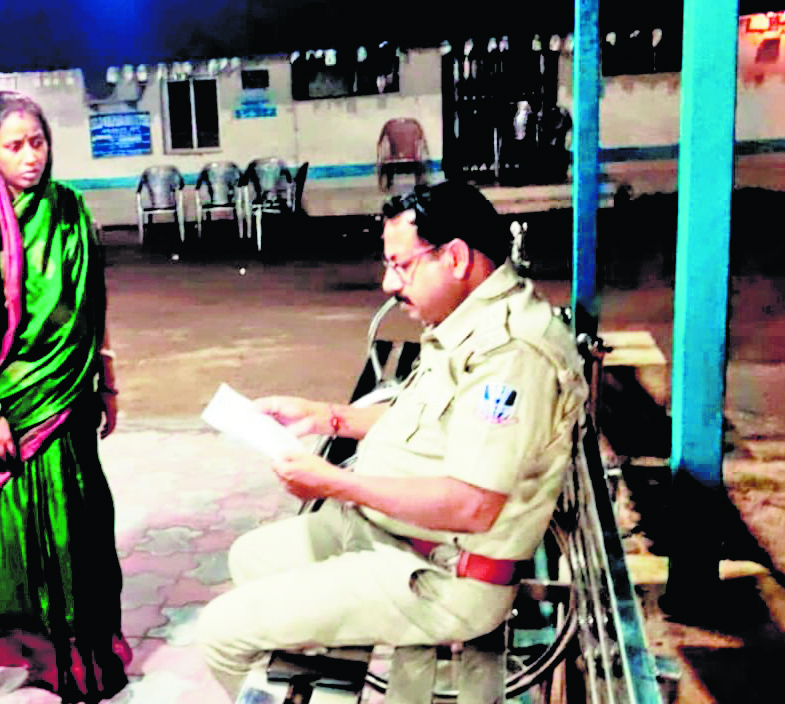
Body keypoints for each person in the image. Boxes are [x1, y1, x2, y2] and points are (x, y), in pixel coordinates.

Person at [194, 180, 589, 698]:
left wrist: (333, 483)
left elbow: (472, 506)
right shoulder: (471, 320)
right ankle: (310, 648)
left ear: (455, 258)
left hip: (444, 576)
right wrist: (325, 417)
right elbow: (426, 424)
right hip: (394, 533)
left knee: (221, 631)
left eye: (402, 266)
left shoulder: (510, 354)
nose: (388, 283)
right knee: (252, 557)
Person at [0, 91, 129, 703]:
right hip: (1, 401)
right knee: (2, 536)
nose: (30, 156)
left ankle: (73, 654)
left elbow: (92, 303)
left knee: (79, 526)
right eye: (14, 146)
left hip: (69, 392)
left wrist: (108, 378)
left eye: (37, 143)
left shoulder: (69, 208)